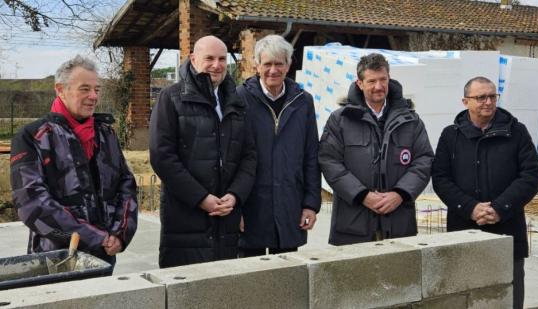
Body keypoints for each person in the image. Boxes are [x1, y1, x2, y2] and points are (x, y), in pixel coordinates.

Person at [10, 55, 138, 273]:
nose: (93, 96)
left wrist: (119, 234)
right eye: (84, 89)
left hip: (105, 256)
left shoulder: (106, 134)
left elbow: (126, 184)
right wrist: (93, 237)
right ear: (60, 90)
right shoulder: (32, 136)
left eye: (97, 89)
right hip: (55, 259)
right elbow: (31, 203)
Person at [431, 76, 538, 309]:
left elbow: (531, 176)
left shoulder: (516, 132)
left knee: (508, 299)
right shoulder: (451, 136)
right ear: (465, 101)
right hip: (463, 230)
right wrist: (470, 208)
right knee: (464, 297)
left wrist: (501, 208)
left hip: (507, 231)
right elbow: (441, 179)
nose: (488, 102)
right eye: (481, 97)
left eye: (492, 96)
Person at [150, 35, 256, 267]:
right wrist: (201, 198)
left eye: (222, 59)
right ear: (193, 59)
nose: (217, 65)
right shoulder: (171, 98)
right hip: (185, 219)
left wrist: (236, 195)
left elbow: (248, 155)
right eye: (209, 58)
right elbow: (162, 157)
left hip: (226, 218)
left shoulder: (236, 102)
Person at [318, 53, 433, 245]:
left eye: (383, 80)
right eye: (371, 81)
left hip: (398, 223)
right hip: (353, 222)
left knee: (398, 274)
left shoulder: (411, 120)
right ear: (360, 83)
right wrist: (362, 195)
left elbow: (424, 160)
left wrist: (400, 194)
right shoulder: (340, 120)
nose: (378, 87)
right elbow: (329, 161)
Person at [236, 35, 321, 256]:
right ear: (257, 65)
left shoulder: (303, 101)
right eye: (267, 64)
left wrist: (311, 204)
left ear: (289, 65)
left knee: (286, 278)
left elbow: (311, 155)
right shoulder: (239, 99)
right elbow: (231, 156)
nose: (273, 70)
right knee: (249, 279)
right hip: (251, 205)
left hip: (289, 205)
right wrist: (235, 208)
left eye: (279, 64)